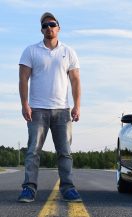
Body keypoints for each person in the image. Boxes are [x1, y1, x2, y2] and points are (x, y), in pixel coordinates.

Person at [18, 12, 82, 203]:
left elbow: (76, 80)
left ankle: (68, 188)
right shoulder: (31, 51)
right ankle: (29, 189)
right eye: (45, 26)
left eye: (52, 24)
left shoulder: (68, 52)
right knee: (33, 151)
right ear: (41, 30)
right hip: (37, 110)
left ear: (58, 28)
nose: (49, 28)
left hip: (62, 110)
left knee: (65, 152)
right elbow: (23, 79)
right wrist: (24, 104)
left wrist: (77, 105)